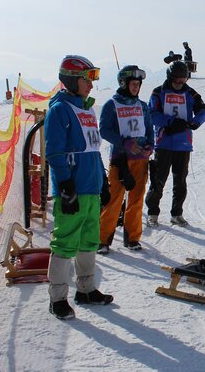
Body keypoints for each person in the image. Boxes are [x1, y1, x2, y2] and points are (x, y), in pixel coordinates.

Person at [44, 55, 114, 320]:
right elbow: (55, 151)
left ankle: (85, 289)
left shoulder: (87, 109)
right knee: (64, 243)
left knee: (88, 241)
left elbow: (93, 149)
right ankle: (57, 297)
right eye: (87, 80)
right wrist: (64, 184)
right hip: (72, 188)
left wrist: (103, 181)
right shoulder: (60, 110)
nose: (91, 86)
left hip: (91, 188)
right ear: (72, 80)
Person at [97, 65, 154, 254]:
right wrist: (124, 143)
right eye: (133, 84)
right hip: (120, 159)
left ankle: (132, 238)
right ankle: (103, 239)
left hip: (140, 159)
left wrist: (150, 146)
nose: (136, 88)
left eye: (138, 84)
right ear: (123, 83)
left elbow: (149, 127)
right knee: (114, 199)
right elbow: (104, 130)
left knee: (137, 199)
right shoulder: (111, 105)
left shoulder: (142, 106)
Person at [145, 61, 205, 227]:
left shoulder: (190, 93)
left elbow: (204, 110)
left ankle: (177, 213)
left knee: (180, 181)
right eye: (177, 80)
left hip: (183, 144)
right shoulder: (158, 92)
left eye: (184, 80)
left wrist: (194, 123)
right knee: (158, 180)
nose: (180, 84)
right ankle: (152, 213)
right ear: (170, 77)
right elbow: (151, 114)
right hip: (163, 143)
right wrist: (170, 122)